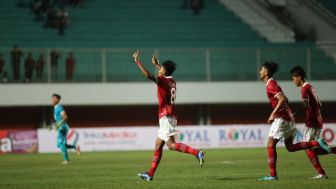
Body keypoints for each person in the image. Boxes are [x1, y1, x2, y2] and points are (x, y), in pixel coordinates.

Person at [132, 50, 205, 182]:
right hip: (170, 116)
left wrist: (137, 61)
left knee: (171, 145)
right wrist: (158, 64)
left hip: (166, 117)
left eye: (161, 69)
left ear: (164, 72)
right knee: (158, 145)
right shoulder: (172, 82)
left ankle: (197, 152)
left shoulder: (163, 82)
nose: (159, 71)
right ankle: (150, 174)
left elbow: (148, 75)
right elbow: (165, 73)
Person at [258, 61, 330, 181]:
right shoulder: (273, 84)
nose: (259, 71)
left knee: (270, 145)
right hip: (289, 117)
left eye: (261, 70)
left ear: (266, 73)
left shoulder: (271, 84)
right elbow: (286, 99)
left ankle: (272, 175)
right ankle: (316, 143)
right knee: (290, 147)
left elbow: (281, 99)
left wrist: (273, 113)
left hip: (282, 118)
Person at [290, 66, 335, 179]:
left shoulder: (304, 88)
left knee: (307, 147)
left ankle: (321, 173)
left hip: (311, 121)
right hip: (318, 121)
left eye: (293, 78)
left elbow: (305, 105)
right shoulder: (310, 86)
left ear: (299, 77)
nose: (293, 81)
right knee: (314, 150)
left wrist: (293, 114)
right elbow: (320, 104)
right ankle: (331, 151)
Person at [51, 93, 80, 164]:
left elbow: (65, 117)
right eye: (52, 98)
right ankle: (75, 147)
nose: (52, 100)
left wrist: (59, 125)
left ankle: (66, 160)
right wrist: (52, 126)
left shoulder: (59, 107)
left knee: (61, 143)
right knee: (59, 145)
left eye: (54, 99)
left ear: (58, 100)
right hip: (61, 126)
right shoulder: (55, 109)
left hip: (63, 127)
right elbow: (58, 120)